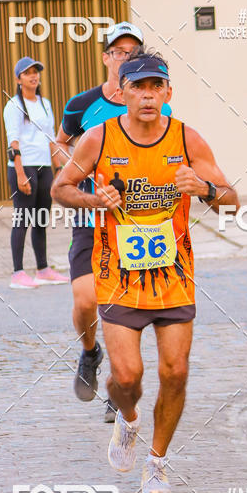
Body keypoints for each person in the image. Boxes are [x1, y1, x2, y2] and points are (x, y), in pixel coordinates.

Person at [51, 50, 239, 493]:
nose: (148, 95)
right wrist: (94, 200)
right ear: (122, 92)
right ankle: (128, 420)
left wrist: (205, 189)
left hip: (173, 275)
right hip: (117, 275)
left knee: (175, 372)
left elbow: (231, 198)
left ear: (169, 93)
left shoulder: (187, 139)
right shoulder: (98, 139)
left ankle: (157, 463)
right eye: (139, 86)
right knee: (128, 377)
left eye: (157, 87)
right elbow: (61, 188)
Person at [56, 22, 172, 421]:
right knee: (86, 300)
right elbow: (61, 142)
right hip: (93, 217)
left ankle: (120, 388)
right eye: (118, 51)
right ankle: (90, 353)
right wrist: (73, 172)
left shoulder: (155, 103)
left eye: (132, 51)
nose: (125, 57)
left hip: (138, 225)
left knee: (128, 307)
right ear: (107, 57)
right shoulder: (82, 104)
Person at [3, 56, 69, 289]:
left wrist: (59, 168)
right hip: (24, 167)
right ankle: (18, 273)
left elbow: (51, 139)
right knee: (22, 219)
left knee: (41, 219)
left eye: (36, 71)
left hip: (44, 167)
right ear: (18, 78)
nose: (33, 76)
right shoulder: (14, 106)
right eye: (28, 73)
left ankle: (43, 269)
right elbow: (13, 144)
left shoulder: (45, 103)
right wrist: (20, 174)